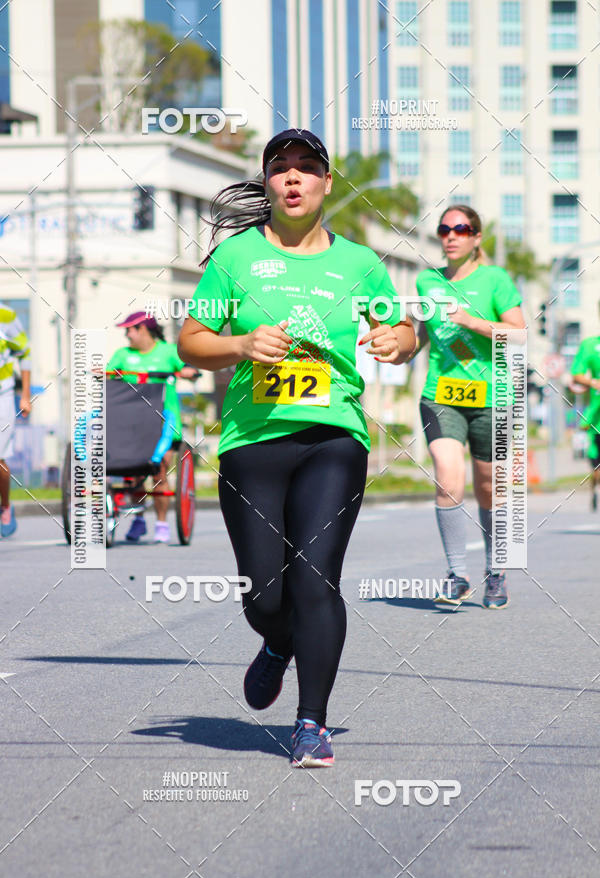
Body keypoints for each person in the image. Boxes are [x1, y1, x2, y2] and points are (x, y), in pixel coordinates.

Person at [178, 128, 415, 767]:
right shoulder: (236, 259)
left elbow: (400, 328)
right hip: (253, 440)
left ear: (326, 184)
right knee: (264, 599)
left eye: (307, 167)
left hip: (333, 437)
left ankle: (312, 724)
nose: (293, 176)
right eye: (280, 166)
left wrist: (398, 341)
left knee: (315, 579)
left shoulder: (359, 263)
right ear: (267, 182)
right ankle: (277, 642)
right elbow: (191, 342)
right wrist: (239, 344)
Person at [410, 205, 526, 609]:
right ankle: (457, 575)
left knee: (490, 486)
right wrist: (398, 347)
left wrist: (469, 320)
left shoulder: (495, 279)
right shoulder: (426, 281)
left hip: (494, 398)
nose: (451, 236)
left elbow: (519, 334)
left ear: (476, 237)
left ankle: (496, 571)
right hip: (441, 394)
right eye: (444, 229)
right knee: (447, 475)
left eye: (460, 229)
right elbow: (422, 334)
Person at [108, 311, 197, 543]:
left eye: (130, 330)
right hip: (133, 423)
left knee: (159, 471)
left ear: (143, 329)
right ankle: (138, 519)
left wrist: (189, 371)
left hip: (164, 421)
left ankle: (161, 523)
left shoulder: (168, 352)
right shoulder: (123, 355)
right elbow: (108, 373)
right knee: (132, 470)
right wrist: (102, 373)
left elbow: (187, 367)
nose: (127, 335)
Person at [0, 303, 31, 538]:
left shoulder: (6, 315)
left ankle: (5, 505)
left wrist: (26, 395)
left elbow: (25, 353)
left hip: (3, 393)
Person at [571, 333, 600, 509]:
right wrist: (592, 382)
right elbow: (576, 374)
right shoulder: (590, 345)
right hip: (595, 425)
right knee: (596, 468)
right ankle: (594, 490)